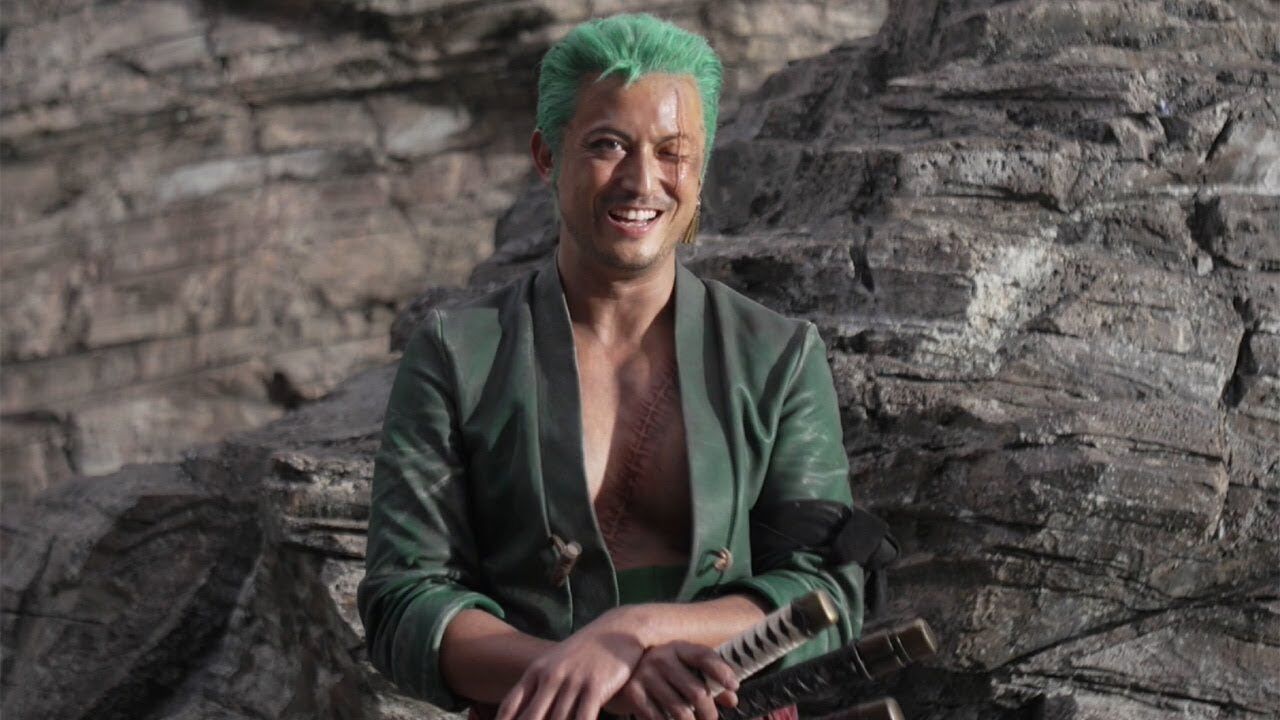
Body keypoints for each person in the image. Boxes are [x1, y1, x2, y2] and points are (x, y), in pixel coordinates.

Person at [358, 14, 867, 720]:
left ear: (702, 167)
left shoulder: (775, 355)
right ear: (546, 156)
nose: (641, 180)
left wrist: (636, 631)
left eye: (672, 152)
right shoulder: (458, 355)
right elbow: (404, 605)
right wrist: (589, 673)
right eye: (607, 145)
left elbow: (830, 594)